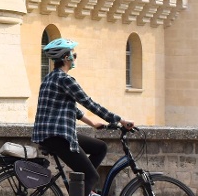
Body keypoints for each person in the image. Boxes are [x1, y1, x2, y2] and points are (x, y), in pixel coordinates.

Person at [33, 38, 135, 196]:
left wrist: (92, 123)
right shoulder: (66, 80)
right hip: (58, 135)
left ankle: (81, 188)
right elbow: (90, 103)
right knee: (92, 176)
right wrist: (120, 120)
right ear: (66, 58)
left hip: (49, 134)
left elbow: (69, 107)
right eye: (74, 55)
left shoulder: (49, 78)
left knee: (100, 148)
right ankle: (84, 188)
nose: (75, 58)